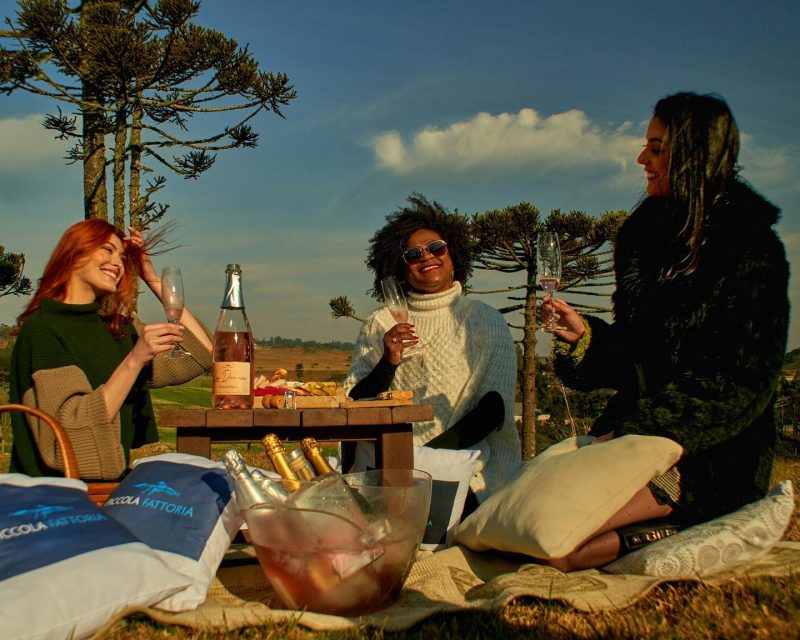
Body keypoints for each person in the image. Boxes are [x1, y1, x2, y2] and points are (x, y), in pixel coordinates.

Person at [542, 92, 789, 571]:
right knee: (530, 523)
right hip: (633, 437)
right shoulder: (645, 238)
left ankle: (685, 522)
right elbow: (638, 358)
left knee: (560, 547)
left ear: (696, 154)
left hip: (706, 452)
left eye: (656, 148)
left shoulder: (752, 249)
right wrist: (585, 338)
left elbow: (743, 384)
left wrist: (640, 434)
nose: (641, 160)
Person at [345, 194, 522, 510]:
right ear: (400, 268)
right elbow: (353, 406)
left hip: (468, 471)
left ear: (453, 254)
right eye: (413, 254)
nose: (427, 257)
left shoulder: (485, 320)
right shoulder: (379, 322)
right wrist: (387, 364)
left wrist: (421, 462)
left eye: (437, 248)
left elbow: (493, 409)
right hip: (385, 472)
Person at [9, 219, 213, 481]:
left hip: (108, 490)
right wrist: (135, 359)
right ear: (74, 253)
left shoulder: (115, 328)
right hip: (52, 497)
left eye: (123, 257)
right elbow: (70, 430)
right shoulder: (43, 330)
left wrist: (149, 276)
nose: (118, 263)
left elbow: (204, 353)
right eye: (107, 250)